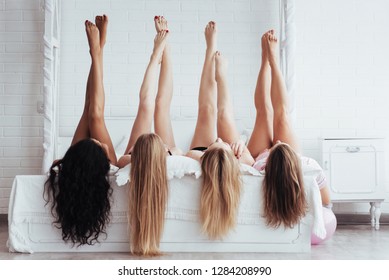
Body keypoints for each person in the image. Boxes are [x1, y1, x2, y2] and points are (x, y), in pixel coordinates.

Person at [247, 30, 331, 229]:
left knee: (264, 113)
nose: (275, 142)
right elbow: (327, 202)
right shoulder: (307, 165)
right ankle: (273, 60)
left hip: (258, 158)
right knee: (282, 114)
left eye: (276, 145)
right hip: (288, 156)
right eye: (278, 144)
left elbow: (326, 204)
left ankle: (265, 60)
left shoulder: (261, 168)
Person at [45, 15, 117, 246]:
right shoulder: (96, 186)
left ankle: (98, 50)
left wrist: (62, 163)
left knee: (88, 109)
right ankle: (97, 50)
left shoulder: (70, 184)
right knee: (95, 114)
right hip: (100, 160)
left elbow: (57, 166)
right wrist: (104, 150)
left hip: (78, 159)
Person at [116, 16, 181, 256]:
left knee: (146, 105)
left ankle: (157, 53)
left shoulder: (127, 160)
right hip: (160, 153)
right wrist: (169, 151)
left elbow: (120, 160)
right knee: (161, 105)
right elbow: (189, 156)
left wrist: (139, 152)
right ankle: (167, 51)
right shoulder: (172, 154)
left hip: (146, 152)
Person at [185, 21, 254, 240]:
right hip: (228, 157)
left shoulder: (200, 154)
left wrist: (210, 151)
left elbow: (189, 155)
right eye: (219, 139)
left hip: (212, 156)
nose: (217, 137)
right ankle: (222, 75)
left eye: (215, 140)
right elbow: (252, 164)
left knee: (206, 110)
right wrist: (239, 148)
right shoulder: (237, 159)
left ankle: (209, 50)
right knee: (223, 115)